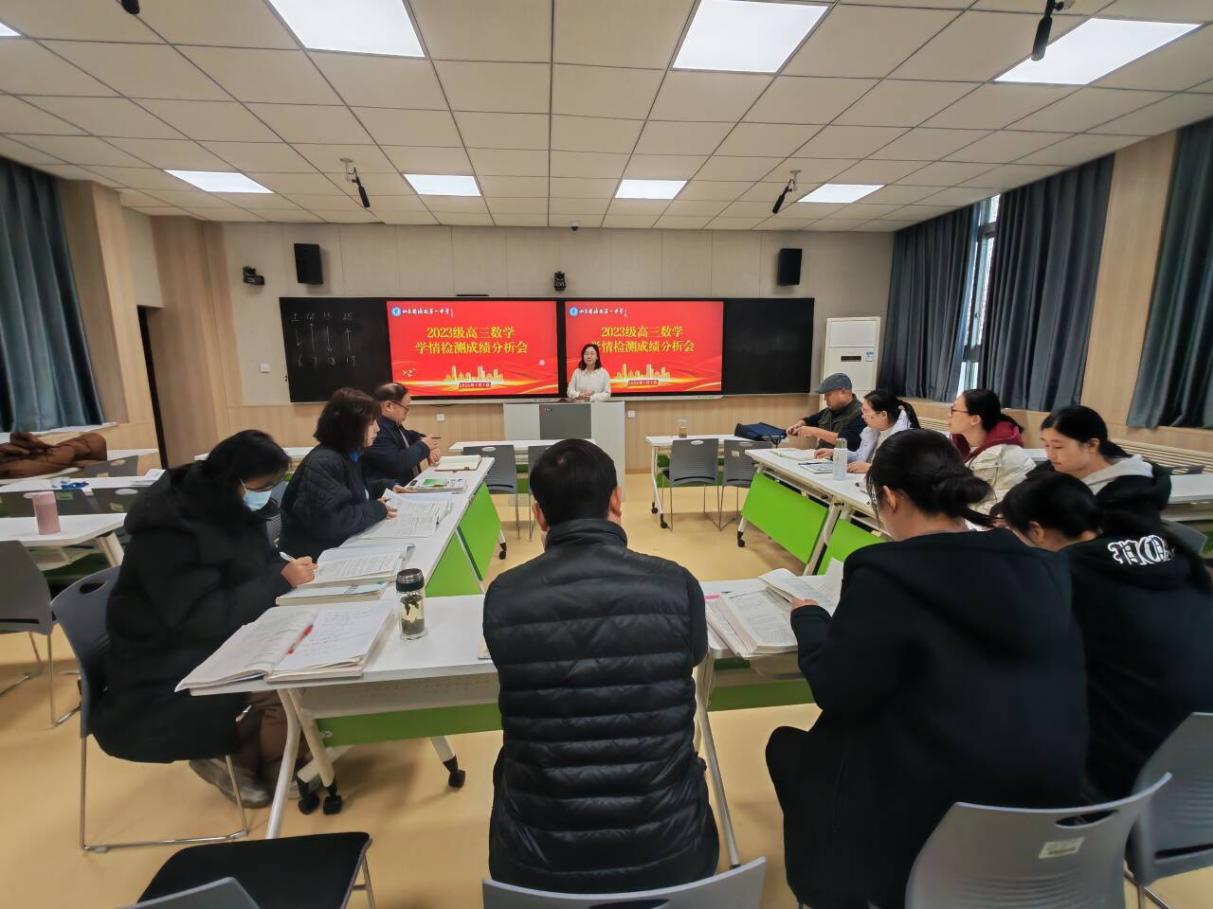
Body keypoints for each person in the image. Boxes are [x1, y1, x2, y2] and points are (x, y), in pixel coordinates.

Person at [766, 430, 1086, 909]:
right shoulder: (1042, 568)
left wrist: (810, 620)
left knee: (792, 748)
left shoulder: (885, 572)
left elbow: (838, 690)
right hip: (1046, 814)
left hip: (932, 821)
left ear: (890, 497)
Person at [483, 439, 718, 893]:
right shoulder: (675, 583)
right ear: (616, 499)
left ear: (539, 516)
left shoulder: (505, 594)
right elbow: (693, 654)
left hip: (535, 868)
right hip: (674, 855)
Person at [93, 430, 318, 807]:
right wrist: (278, 582)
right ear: (233, 480)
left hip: (214, 632)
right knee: (287, 682)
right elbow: (201, 618)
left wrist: (284, 571)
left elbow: (259, 562)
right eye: (263, 485)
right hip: (164, 656)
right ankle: (268, 763)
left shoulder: (228, 507)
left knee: (306, 655)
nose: (267, 494)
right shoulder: (169, 532)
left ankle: (246, 755)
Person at [999, 473, 1213, 798]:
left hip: (1136, 771)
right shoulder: (1173, 555)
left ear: (1036, 531)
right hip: (1197, 753)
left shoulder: (1064, 576)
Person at [279, 387, 401, 560]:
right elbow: (332, 523)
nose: (377, 429)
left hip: (339, 546)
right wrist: (377, 508)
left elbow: (353, 491)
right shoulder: (325, 461)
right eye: (371, 423)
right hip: (315, 559)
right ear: (350, 426)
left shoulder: (348, 454)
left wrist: (386, 487)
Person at [1034, 404, 1171, 527]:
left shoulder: (1130, 493)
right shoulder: (1051, 468)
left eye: (1058, 447)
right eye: (1046, 445)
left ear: (1092, 445)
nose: (1050, 455)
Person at [948, 388, 1034, 508]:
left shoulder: (995, 456)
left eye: (953, 410)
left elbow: (972, 505)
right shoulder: (962, 445)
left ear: (975, 419)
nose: (948, 415)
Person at [814, 388, 918, 473]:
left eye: (866, 411)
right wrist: (837, 453)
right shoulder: (873, 430)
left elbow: (903, 472)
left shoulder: (905, 437)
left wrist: (871, 468)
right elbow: (860, 457)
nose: (862, 416)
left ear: (883, 414)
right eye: (862, 411)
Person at [363, 382, 439, 486]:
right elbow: (396, 463)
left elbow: (411, 435)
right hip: (388, 491)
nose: (407, 413)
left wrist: (427, 445)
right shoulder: (377, 430)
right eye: (406, 408)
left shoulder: (392, 424)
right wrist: (424, 447)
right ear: (389, 406)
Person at [786, 373, 864, 451]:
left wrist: (815, 431)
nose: (825, 398)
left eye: (828, 394)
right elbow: (809, 421)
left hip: (840, 458)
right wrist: (798, 426)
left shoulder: (861, 413)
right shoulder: (829, 410)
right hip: (820, 455)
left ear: (843, 392)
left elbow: (850, 441)